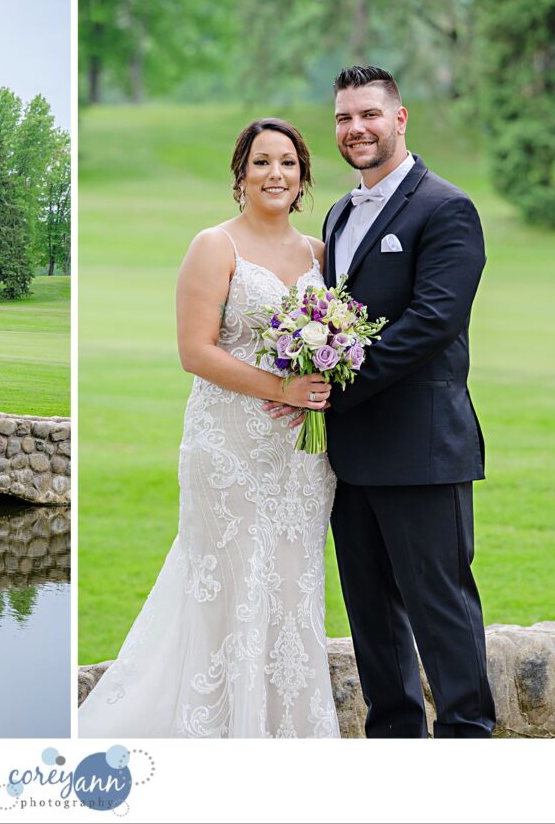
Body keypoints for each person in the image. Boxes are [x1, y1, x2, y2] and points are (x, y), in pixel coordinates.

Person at [79, 119, 340, 738]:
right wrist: (284, 388)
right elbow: (195, 351)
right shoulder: (214, 245)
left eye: (287, 163)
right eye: (261, 163)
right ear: (240, 174)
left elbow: (334, 342)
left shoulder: (319, 255)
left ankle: (287, 731)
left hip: (300, 458)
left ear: (303, 176)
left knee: (290, 584)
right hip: (228, 449)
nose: (274, 174)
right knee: (226, 584)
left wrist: (324, 379)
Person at [269, 65, 496, 738]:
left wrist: (333, 387)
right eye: (343, 117)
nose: (355, 128)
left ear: (400, 119)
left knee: (441, 611)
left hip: (424, 453)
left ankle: (467, 745)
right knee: (373, 618)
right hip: (350, 458)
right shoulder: (339, 213)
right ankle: (394, 750)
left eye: (368, 114)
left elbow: (432, 324)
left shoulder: (446, 208)